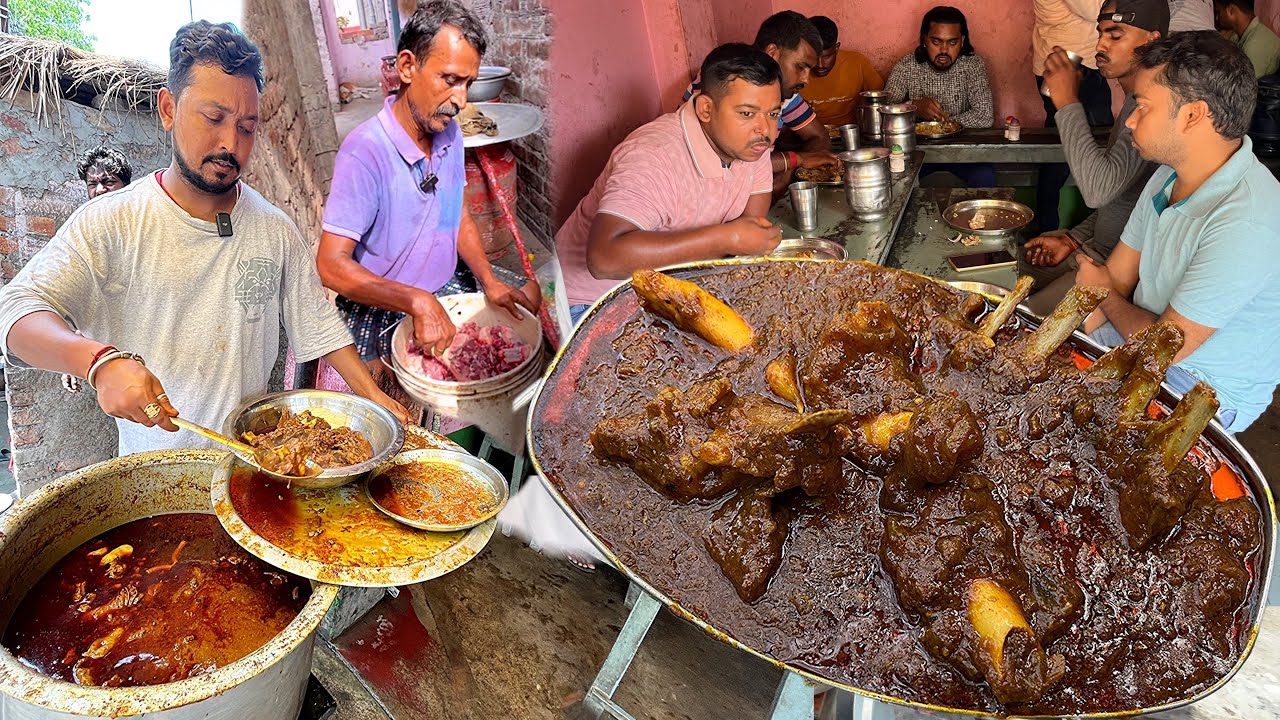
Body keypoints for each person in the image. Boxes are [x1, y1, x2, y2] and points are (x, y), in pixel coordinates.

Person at [0, 21, 407, 456]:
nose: (230, 143)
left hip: (251, 466)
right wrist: (97, 362)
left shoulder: (274, 229)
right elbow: (15, 312)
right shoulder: (112, 221)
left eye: (247, 127)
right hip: (153, 479)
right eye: (213, 118)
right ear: (169, 109)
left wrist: (373, 396)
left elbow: (317, 324)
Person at [1076, 31, 1280, 431]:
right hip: (1145, 342)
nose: (1131, 121)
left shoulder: (1247, 219)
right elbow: (1116, 275)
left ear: (1193, 115)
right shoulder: (1169, 175)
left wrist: (1100, 296)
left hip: (1204, 390)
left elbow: (1163, 349)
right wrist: (1101, 296)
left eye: (1143, 107)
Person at [317, 0, 537, 371]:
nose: (460, 100)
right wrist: (415, 301)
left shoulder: (448, 133)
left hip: (443, 286)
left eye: (468, 84)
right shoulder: (364, 153)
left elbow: (456, 215)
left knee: (527, 303)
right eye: (449, 80)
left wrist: (488, 279)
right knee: (398, 399)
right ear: (407, 67)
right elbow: (330, 265)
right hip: (384, 303)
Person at [558, 43, 783, 324]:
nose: (765, 129)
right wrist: (730, 238)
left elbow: (751, 222)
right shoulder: (654, 154)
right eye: (746, 113)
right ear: (705, 109)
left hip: (670, 290)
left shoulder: (752, 145)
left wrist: (744, 239)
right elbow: (605, 258)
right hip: (595, 301)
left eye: (773, 113)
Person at [1021, 0, 1168, 315]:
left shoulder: (1153, 106)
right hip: (1092, 250)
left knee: (1021, 323)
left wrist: (1067, 102)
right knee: (1003, 264)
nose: (1100, 44)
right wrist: (1073, 239)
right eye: (1100, 33)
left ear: (1151, 41)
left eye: (1115, 36)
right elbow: (1119, 202)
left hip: (1113, 270)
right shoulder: (1133, 101)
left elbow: (1098, 191)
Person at [685, 12, 837, 183]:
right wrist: (794, 161)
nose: (806, 79)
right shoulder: (723, 79)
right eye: (800, 66)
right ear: (772, 53)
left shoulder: (784, 90)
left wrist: (792, 168)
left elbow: (819, 136)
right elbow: (723, 166)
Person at [885, 6, 994, 129]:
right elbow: (885, 111)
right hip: (917, 144)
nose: (944, 50)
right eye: (936, 42)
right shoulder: (907, 66)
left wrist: (938, 126)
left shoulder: (972, 65)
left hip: (963, 144)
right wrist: (913, 107)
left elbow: (985, 116)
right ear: (925, 39)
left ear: (962, 41)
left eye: (953, 42)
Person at [1032, 0, 1114, 127]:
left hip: (1067, 59)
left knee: (1070, 125)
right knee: (1080, 128)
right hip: (1070, 61)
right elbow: (1100, 11)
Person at [799, 15, 884, 128]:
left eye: (827, 56)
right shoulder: (795, 72)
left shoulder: (857, 63)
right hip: (810, 134)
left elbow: (881, 99)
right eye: (813, 56)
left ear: (836, 48)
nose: (820, 65)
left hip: (853, 133)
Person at [1213, 0, 1280, 77]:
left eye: (1218, 12)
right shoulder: (1237, 35)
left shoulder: (1255, 45)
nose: (1217, 18)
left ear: (1231, 10)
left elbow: (1246, 86)